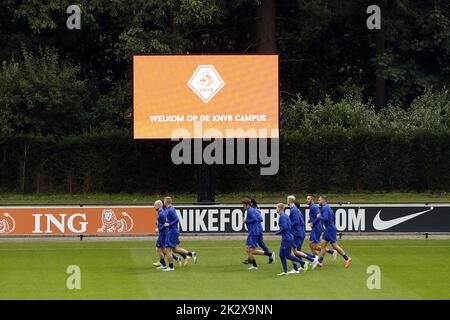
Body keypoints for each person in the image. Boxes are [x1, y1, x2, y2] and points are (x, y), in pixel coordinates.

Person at [163, 196, 197, 271]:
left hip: (172, 231)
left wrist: (169, 224)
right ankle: (191, 254)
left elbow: (177, 219)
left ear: (166, 202)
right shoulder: (170, 209)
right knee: (175, 249)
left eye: (164, 201)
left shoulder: (170, 210)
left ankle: (171, 267)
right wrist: (167, 223)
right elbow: (172, 219)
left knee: (167, 249)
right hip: (173, 231)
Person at [317, 195, 352, 268]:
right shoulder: (328, 207)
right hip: (329, 228)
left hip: (330, 229)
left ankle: (347, 258)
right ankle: (320, 261)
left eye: (319, 200)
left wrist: (320, 217)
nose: (318, 201)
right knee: (323, 245)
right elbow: (333, 217)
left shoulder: (324, 208)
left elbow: (325, 218)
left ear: (323, 200)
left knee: (334, 246)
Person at [286, 196, 319, 273]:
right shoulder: (296, 210)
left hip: (297, 233)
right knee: (296, 251)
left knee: (293, 251)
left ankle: (312, 259)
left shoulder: (293, 210)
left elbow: (296, 222)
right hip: (299, 233)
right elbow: (301, 222)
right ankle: (303, 264)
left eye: (287, 200)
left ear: (289, 201)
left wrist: (288, 224)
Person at [275, 203, 308, 276]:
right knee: (281, 255)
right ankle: (285, 271)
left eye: (276, 208)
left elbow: (285, 227)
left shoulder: (282, 217)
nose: (276, 209)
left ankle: (304, 263)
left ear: (280, 208)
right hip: (287, 238)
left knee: (288, 255)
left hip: (287, 238)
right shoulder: (285, 216)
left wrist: (278, 232)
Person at [242, 198, 275, 265]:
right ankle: (253, 263)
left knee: (251, 250)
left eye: (243, 205)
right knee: (254, 246)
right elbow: (260, 219)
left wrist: (246, 221)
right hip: (258, 230)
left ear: (248, 204)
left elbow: (254, 219)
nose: (243, 206)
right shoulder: (255, 210)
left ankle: (269, 254)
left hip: (253, 232)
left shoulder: (250, 211)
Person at [307, 194, 336, 259]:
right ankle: (316, 258)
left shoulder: (314, 207)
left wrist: (313, 222)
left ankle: (317, 258)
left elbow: (319, 215)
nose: (307, 200)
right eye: (307, 199)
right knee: (311, 245)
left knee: (314, 246)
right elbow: (316, 216)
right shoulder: (312, 207)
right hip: (315, 228)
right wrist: (310, 220)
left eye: (308, 199)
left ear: (312, 200)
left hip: (317, 228)